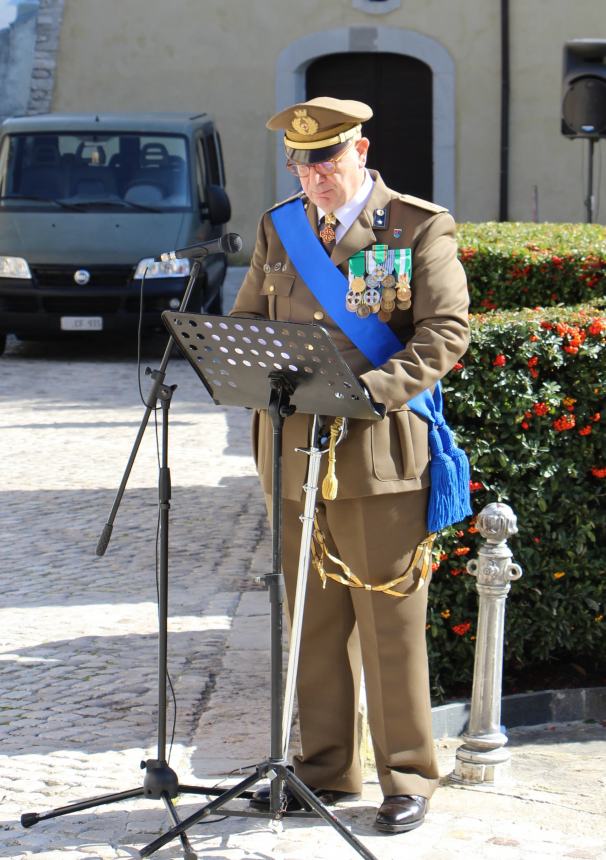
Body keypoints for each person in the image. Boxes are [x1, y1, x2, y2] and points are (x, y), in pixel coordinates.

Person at [229, 96, 469, 833]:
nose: (313, 178)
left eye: (326, 160)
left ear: (360, 150)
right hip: (292, 453)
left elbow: (444, 332)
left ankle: (409, 777)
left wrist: (366, 391)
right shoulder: (281, 227)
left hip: (376, 454)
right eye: (300, 163)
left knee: (387, 620)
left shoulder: (415, 226)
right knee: (313, 620)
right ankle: (326, 768)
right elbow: (246, 324)